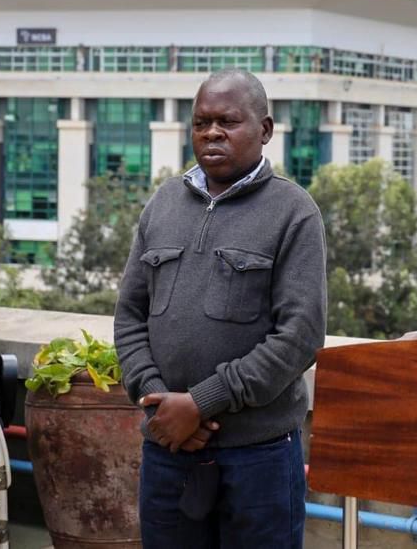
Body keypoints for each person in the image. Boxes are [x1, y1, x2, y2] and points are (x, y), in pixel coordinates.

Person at [114, 69, 326, 548]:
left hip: (259, 461)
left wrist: (201, 403)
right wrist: (158, 402)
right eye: (201, 122)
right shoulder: (163, 204)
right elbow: (130, 316)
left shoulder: (293, 212)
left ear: (265, 130)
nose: (212, 133)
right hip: (168, 449)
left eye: (227, 122)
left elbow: (300, 337)